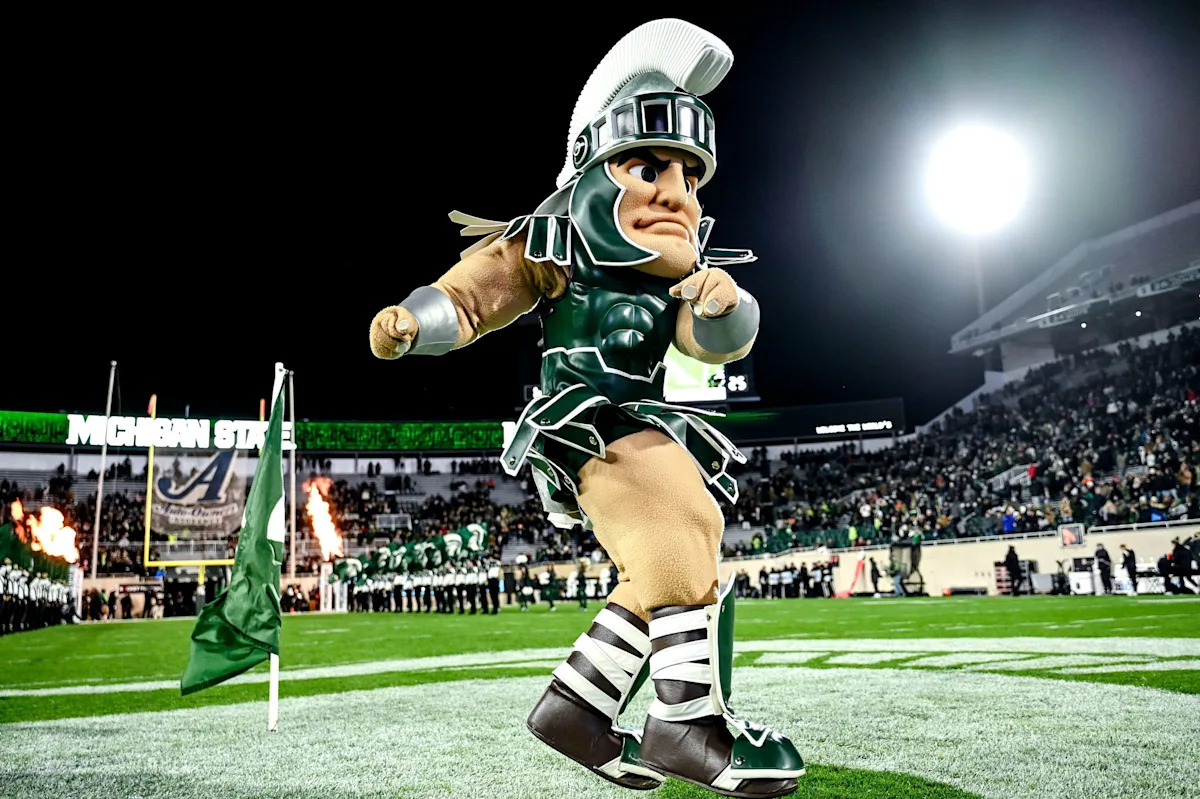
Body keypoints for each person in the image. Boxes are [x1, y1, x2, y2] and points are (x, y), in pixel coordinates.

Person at [365, 19, 801, 796]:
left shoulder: (670, 276)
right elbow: (474, 296)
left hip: (638, 418)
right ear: (594, 168)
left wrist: (726, 303)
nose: (676, 192)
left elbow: (711, 343)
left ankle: (575, 707)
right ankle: (687, 720)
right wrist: (412, 321)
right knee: (681, 524)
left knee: (672, 549)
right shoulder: (555, 245)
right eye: (649, 167)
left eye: (690, 176)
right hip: (584, 419)